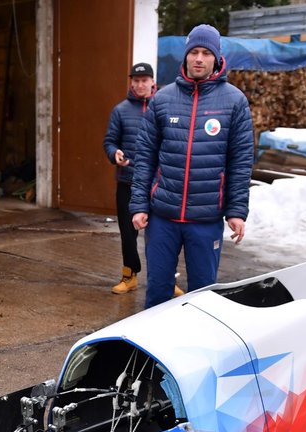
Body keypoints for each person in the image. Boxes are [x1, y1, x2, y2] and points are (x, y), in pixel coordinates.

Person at [129, 24, 254, 309]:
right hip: (163, 217)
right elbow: (145, 156)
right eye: (194, 52)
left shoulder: (234, 101)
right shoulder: (162, 99)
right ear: (185, 57)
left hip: (206, 219)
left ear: (217, 58)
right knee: (158, 292)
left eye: (206, 53)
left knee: (203, 298)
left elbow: (241, 160)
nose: (199, 58)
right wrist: (139, 204)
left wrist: (236, 210)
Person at [103, 62, 155, 295]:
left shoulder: (163, 107)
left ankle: (167, 279)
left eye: (145, 80)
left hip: (157, 183)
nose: (140, 84)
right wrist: (114, 153)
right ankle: (129, 275)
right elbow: (110, 141)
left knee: (162, 235)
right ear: (131, 82)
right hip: (128, 181)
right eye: (136, 80)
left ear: (153, 82)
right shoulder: (120, 110)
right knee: (127, 232)